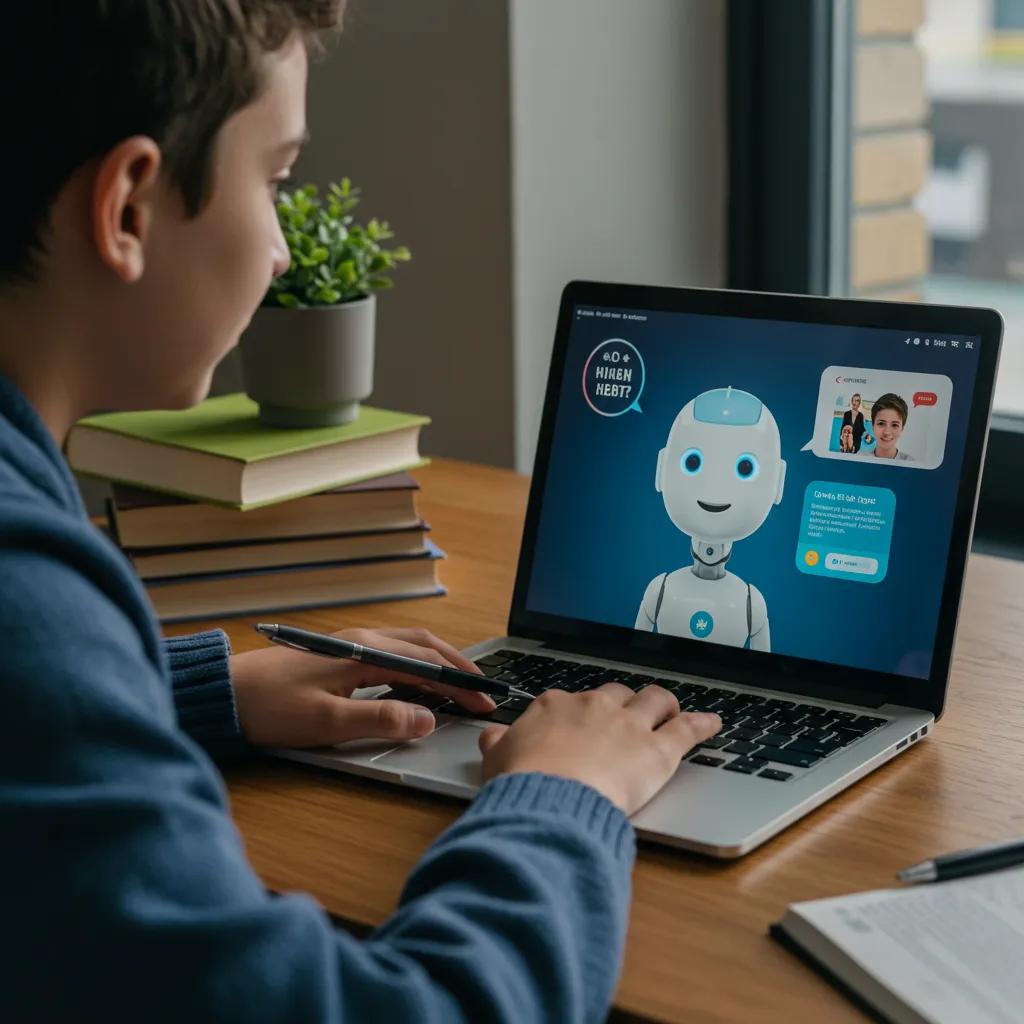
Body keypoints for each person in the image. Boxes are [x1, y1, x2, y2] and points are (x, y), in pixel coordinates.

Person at [0, 4, 722, 1021]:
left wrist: (181, 690)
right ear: (127, 208)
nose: (281, 252)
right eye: (274, 181)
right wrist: (567, 792)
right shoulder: (27, 589)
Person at [870, 393, 915, 461]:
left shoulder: (912, 463)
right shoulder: (859, 460)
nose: (887, 432)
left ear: (902, 428)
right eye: (881, 423)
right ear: (873, 426)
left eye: (894, 425)